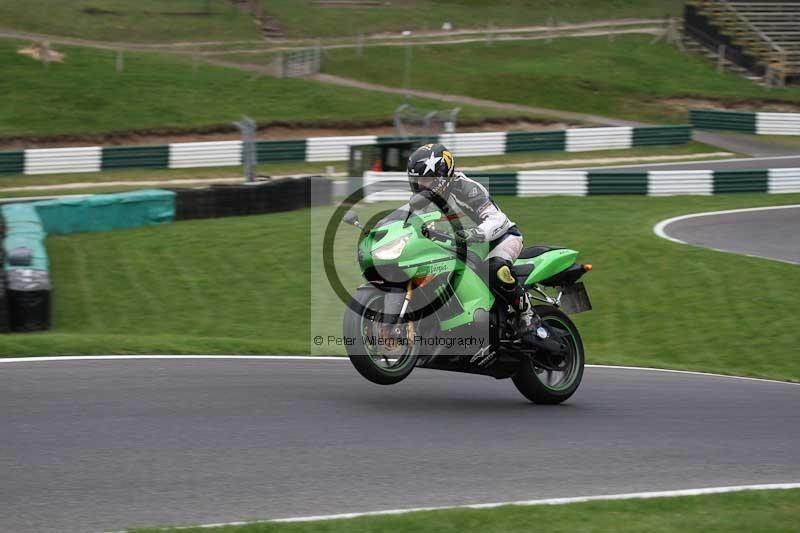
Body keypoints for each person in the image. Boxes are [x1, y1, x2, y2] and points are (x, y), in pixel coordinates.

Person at [406, 143, 542, 345]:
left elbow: (497, 219)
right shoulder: (421, 201)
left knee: (495, 268)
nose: (420, 185)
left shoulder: (466, 189)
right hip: (460, 244)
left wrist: (475, 233)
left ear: (441, 178)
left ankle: (527, 315)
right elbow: (407, 225)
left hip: (499, 238)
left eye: (425, 180)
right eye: (416, 180)